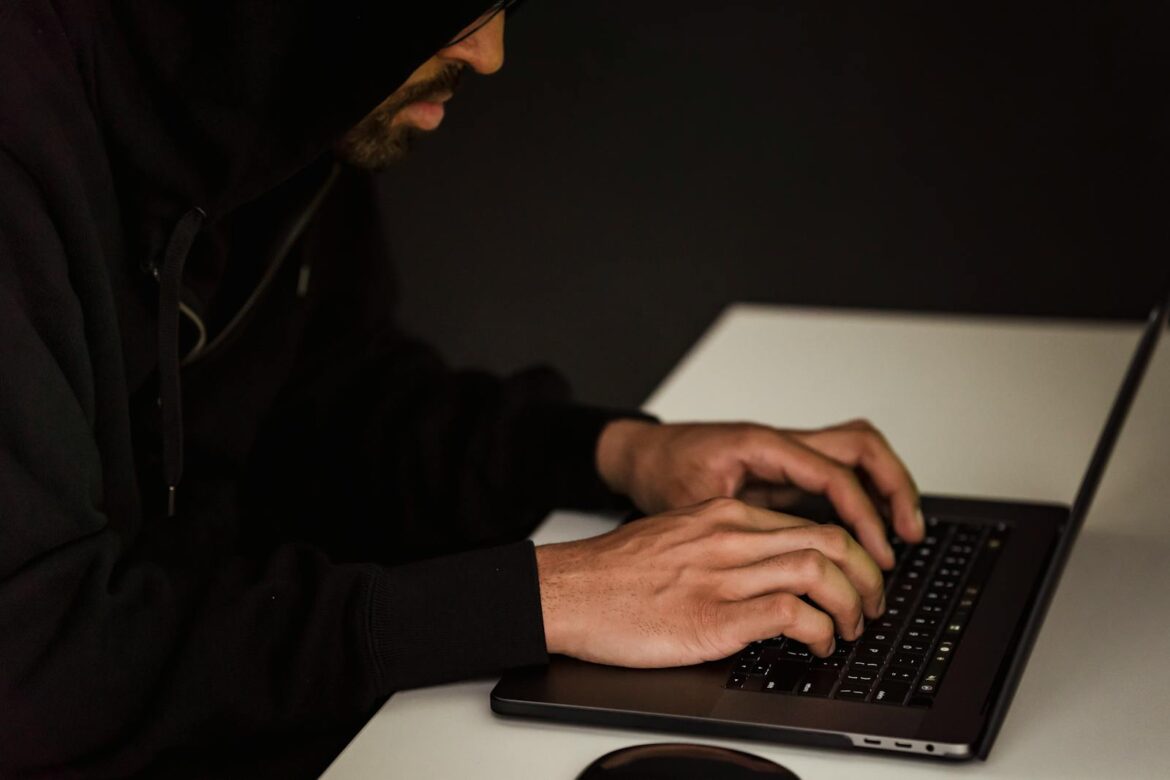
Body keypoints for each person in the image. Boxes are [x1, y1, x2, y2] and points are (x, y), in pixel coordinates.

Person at [0, 2, 922, 776]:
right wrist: (542, 599)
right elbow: (31, 665)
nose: (488, 52)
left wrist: (612, 454)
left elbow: (323, 412)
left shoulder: (282, 95)